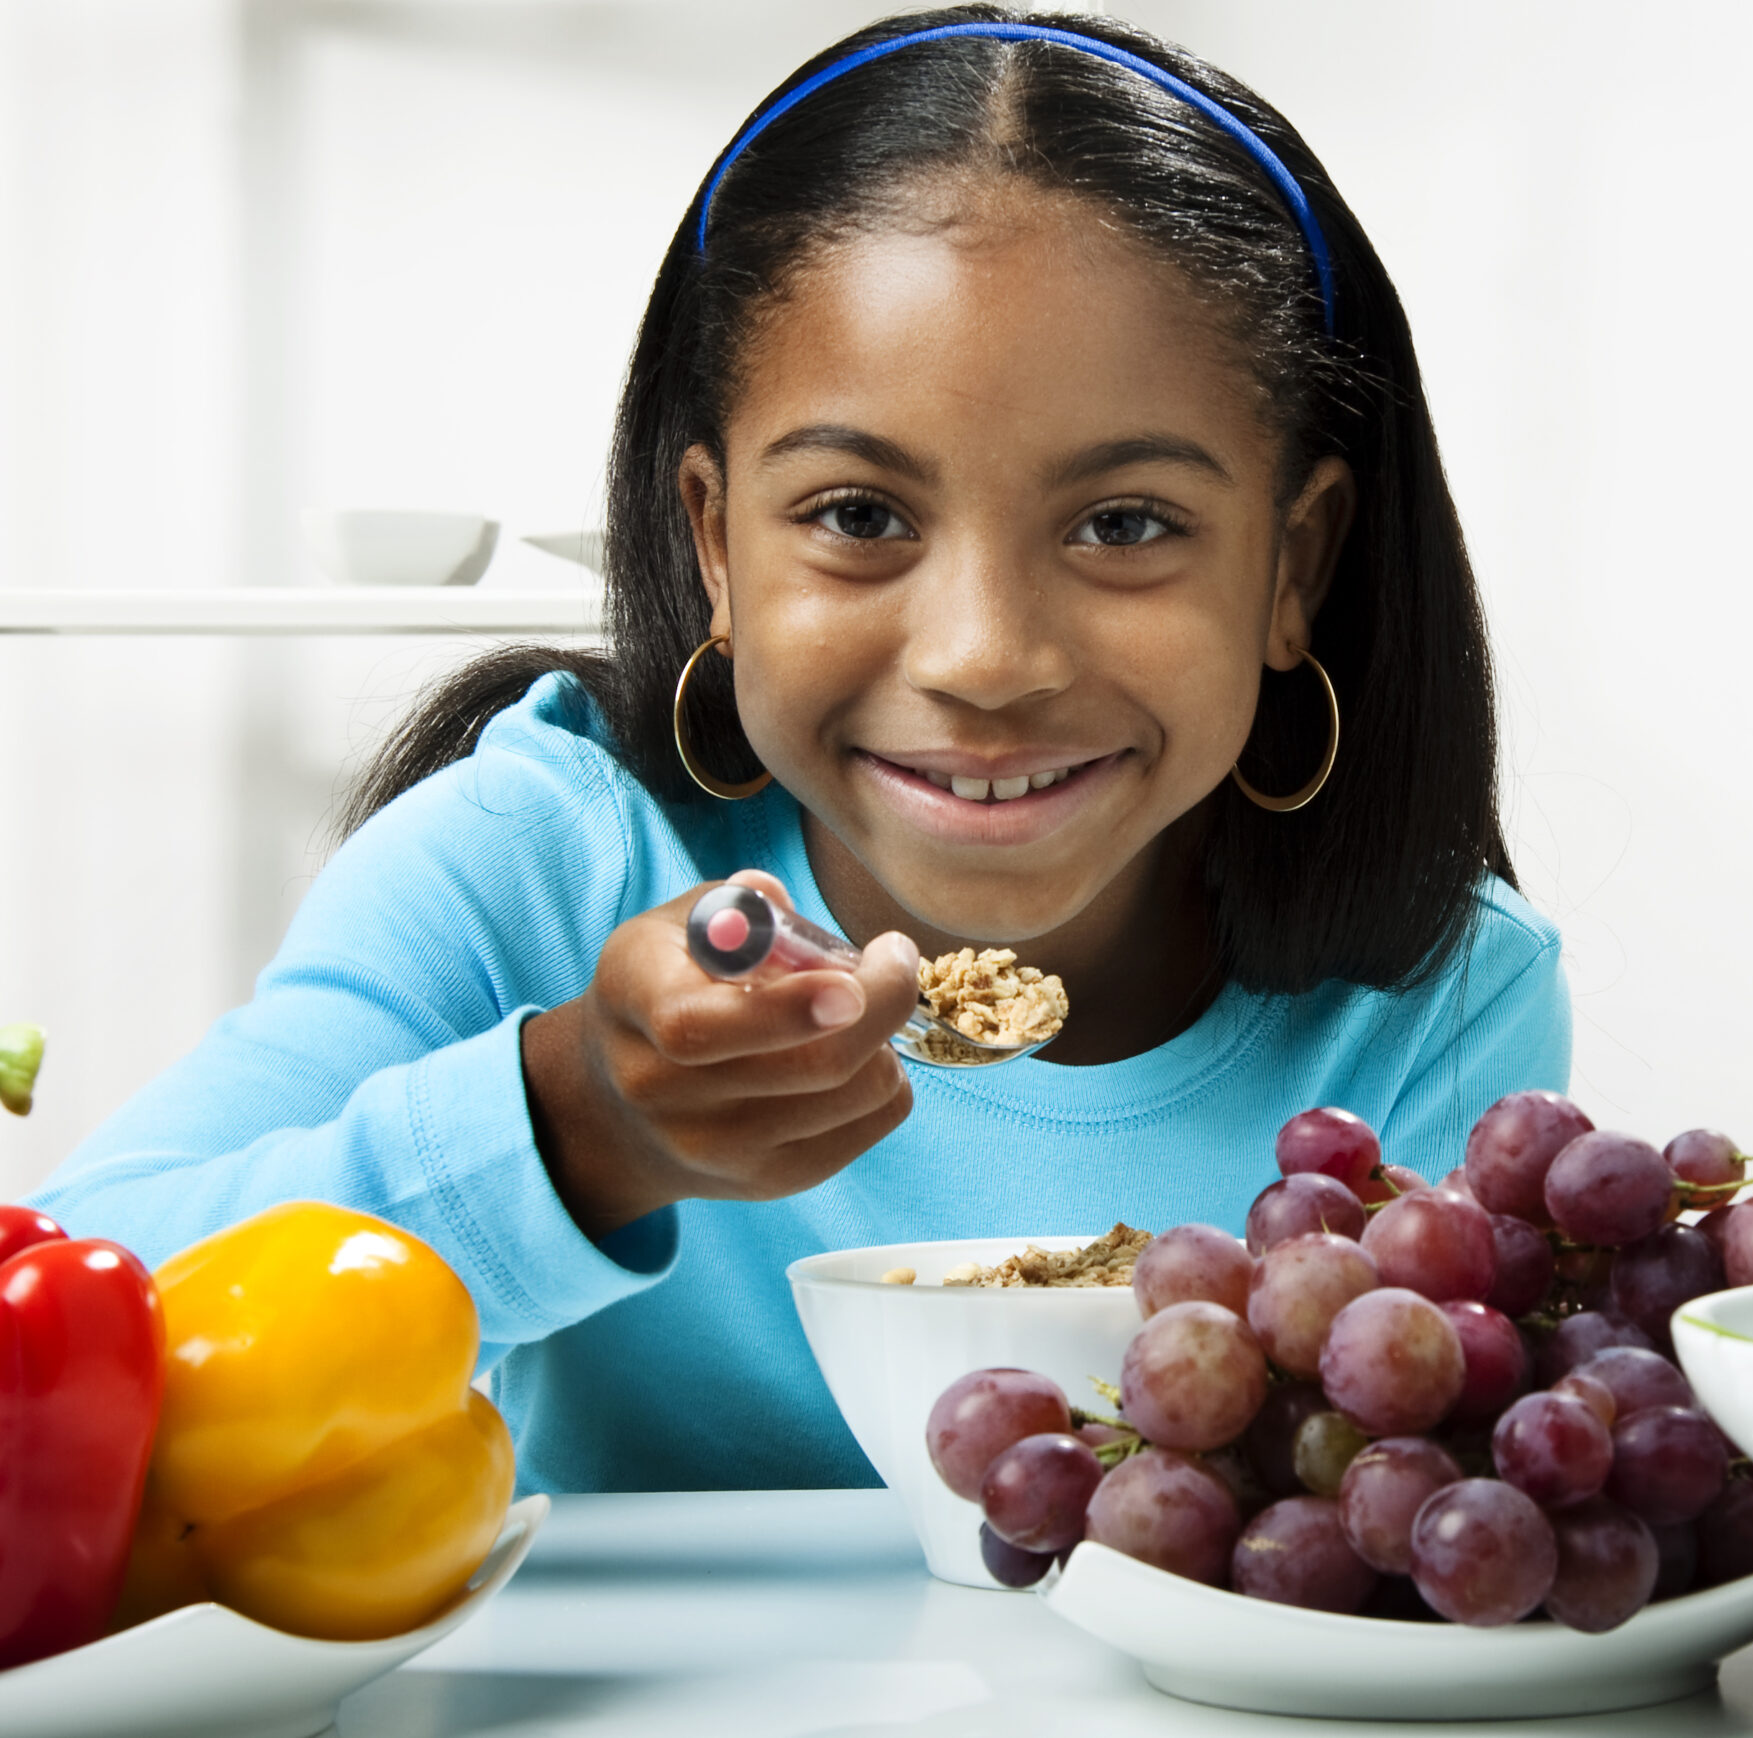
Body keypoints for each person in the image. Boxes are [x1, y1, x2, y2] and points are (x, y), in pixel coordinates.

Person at [32, 6, 1567, 1493]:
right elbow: (69, 1313)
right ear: (713, 543)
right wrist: (574, 1129)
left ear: (1293, 567)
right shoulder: (537, 861)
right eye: (859, 517)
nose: (983, 657)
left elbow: (1430, 1523)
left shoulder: (1435, 1009)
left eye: (1124, 525)